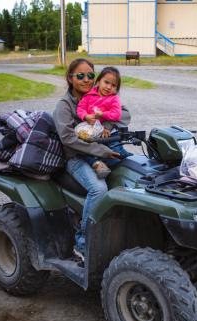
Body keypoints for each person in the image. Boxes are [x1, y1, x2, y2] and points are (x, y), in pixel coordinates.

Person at [52, 58, 131, 257]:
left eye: (90, 75)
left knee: (130, 174)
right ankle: (83, 241)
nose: (86, 80)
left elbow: (124, 114)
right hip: (76, 158)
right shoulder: (64, 106)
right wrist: (100, 151)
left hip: (101, 150)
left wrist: (107, 126)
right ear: (70, 78)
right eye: (80, 76)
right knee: (99, 188)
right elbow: (68, 139)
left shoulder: (97, 94)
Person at [76, 66, 131, 178]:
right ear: (99, 81)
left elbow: (117, 114)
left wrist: (103, 115)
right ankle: (97, 164)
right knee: (84, 149)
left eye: (113, 85)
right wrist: (85, 116)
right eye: (106, 82)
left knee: (115, 149)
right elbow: (80, 108)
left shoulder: (114, 99)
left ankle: (122, 159)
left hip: (108, 133)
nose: (108, 87)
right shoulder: (90, 95)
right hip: (91, 130)